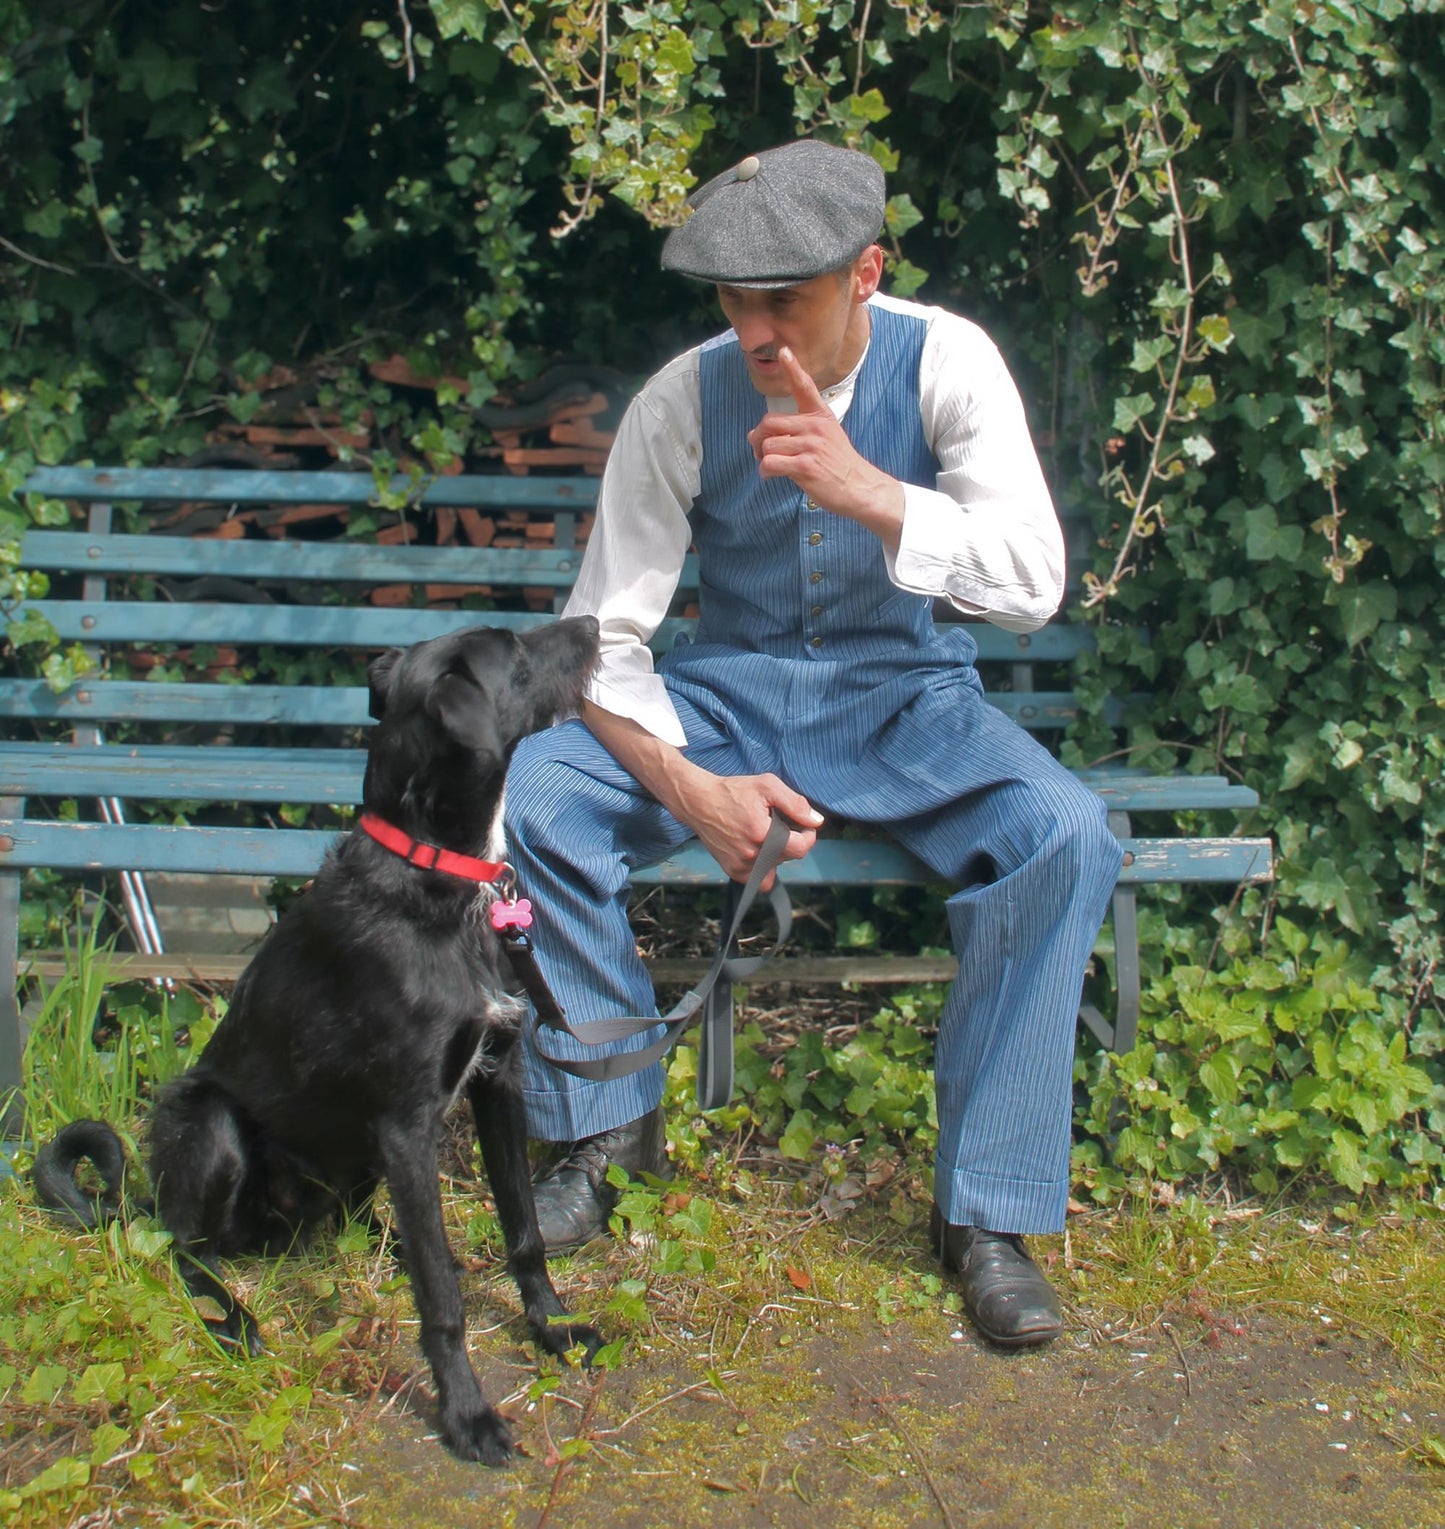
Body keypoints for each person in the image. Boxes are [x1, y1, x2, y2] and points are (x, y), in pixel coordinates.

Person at [504, 139, 1123, 1348]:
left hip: (908, 702)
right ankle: (604, 1119)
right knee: (534, 796)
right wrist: (694, 789)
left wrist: (875, 493)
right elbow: (601, 641)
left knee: (1062, 834)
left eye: (782, 298)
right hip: (726, 703)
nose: (754, 329)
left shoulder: (947, 360)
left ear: (864, 273)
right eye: (734, 300)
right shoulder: (683, 397)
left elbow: (1036, 582)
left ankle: (984, 1213)